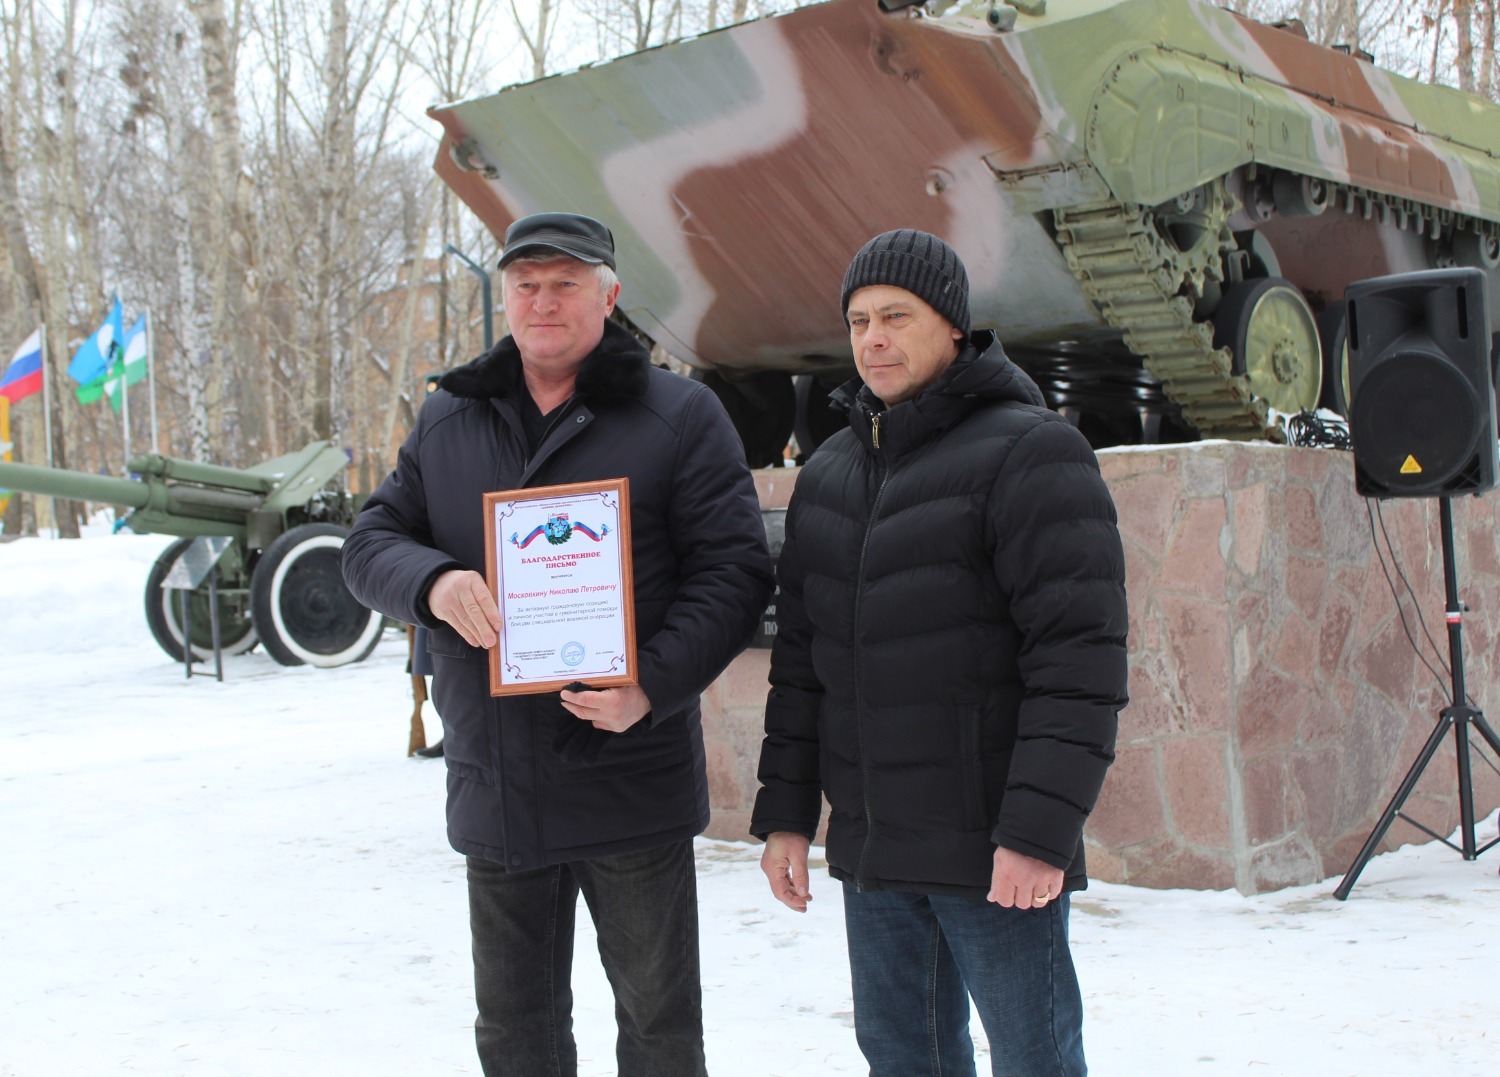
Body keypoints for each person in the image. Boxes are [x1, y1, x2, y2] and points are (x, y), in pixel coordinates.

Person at [342, 211, 773, 1076]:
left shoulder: (679, 415)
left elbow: (733, 574)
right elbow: (369, 543)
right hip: (499, 781)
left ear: (609, 298)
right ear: (505, 296)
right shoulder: (450, 418)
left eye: (565, 283)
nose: (543, 301)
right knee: (515, 1035)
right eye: (526, 283)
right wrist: (434, 582)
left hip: (628, 776)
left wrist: (650, 685)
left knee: (658, 1029)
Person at [751, 229, 1128, 1076]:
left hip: (994, 852)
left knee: (1035, 1060)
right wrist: (787, 816)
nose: (873, 340)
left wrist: (1038, 835)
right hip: (876, 852)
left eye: (896, 317)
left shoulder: (1033, 452)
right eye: (858, 322)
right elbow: (803, 664)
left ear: (953, 325)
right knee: (901, 1058)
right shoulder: (830, 473)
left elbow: (1080, 663)